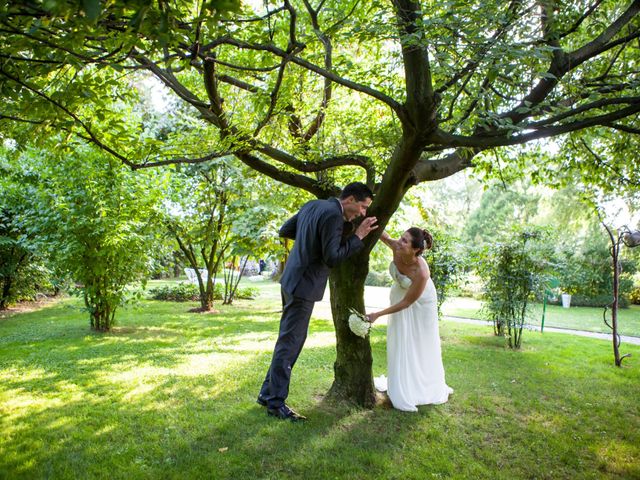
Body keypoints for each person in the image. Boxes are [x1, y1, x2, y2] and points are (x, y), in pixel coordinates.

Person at [258, 182, 378, 421]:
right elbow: (332, 257)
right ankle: (275, 402)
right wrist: (358, 236)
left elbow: (286, 229)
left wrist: (309, 240)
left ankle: (266, 394)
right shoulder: (334, 216)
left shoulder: (313, 205)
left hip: (291, 279)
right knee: (290, 342)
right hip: (304, 285)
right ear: (351, 199)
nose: (363, 213)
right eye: (363, 207)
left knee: (288, 338)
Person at [367, 227, 453, 412]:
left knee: (419, 342)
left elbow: (407, 302)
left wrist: (377, 315)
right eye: (402, 237)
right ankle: (401, 378)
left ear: (415, 249)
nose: (400, 242)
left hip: (421, 302)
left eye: (405, 241)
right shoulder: (397, 247)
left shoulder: (422, 273)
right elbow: (384, 234)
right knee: (400, 338)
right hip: (400, 296)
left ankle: (420, 385)